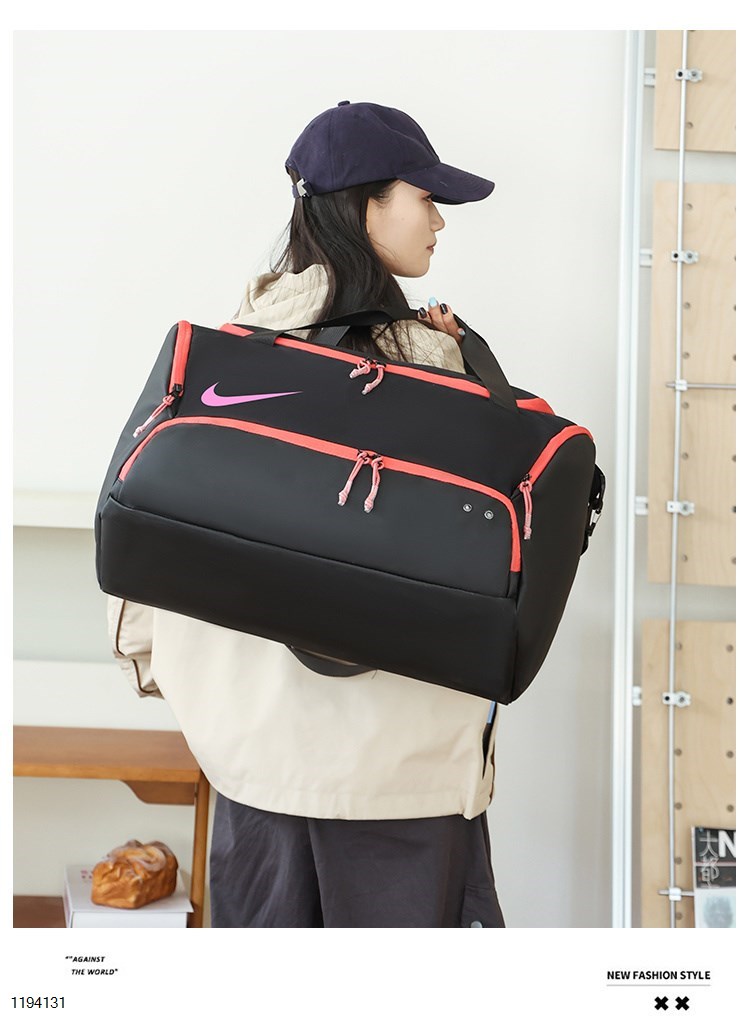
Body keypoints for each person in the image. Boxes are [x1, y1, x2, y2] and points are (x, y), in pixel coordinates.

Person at [108, 100, 505, 928]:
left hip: (252, 772)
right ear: (365, 206)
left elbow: (141, 546)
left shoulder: (222, 358)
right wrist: (470, 368)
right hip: (404, 785)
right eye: (425, 197)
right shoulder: (434, 364)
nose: (439, 220)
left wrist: (186, 683)